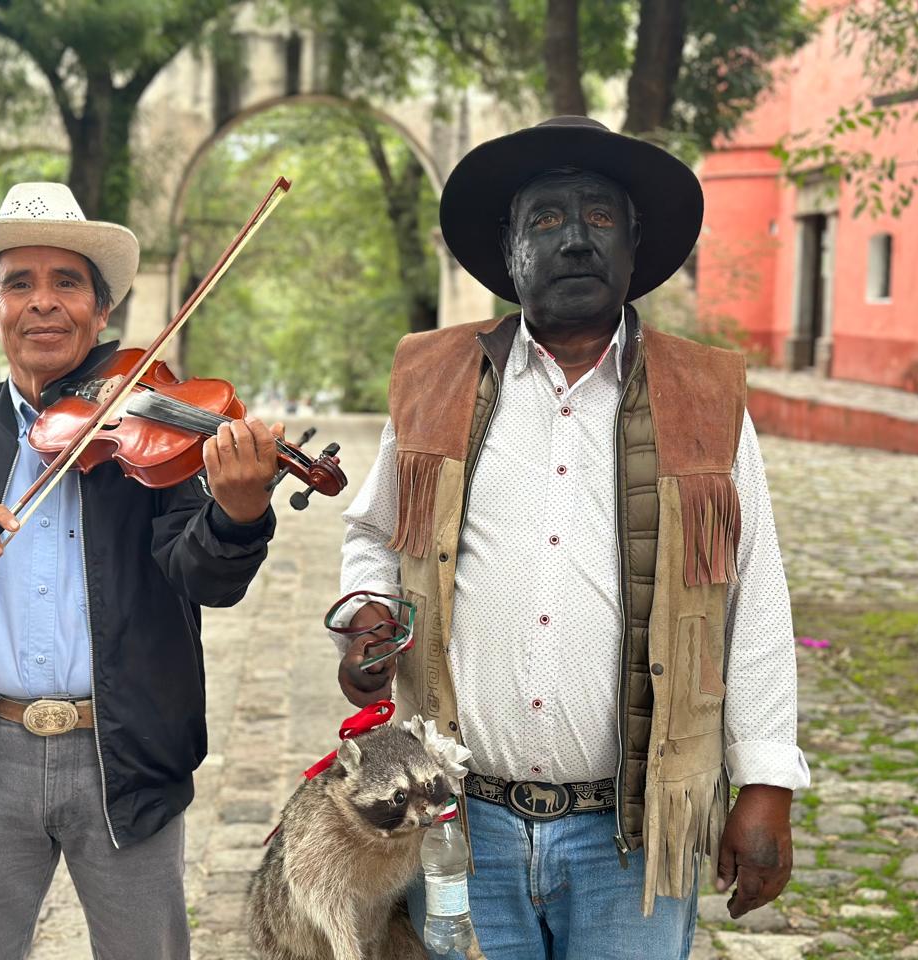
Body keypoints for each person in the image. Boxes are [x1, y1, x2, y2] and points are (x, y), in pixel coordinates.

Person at [333, 117, 810, 959]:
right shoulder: (434, 379)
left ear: (633, 245)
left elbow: (755, 594)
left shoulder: (703, 397)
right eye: (546, 220)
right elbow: (374, 533)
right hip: (458, 820)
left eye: (600, 217)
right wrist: (368, 616)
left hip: (633, 829)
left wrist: (766, 781)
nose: (577, 239)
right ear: (509, 251)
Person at [0, 182, 284, 959]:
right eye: (18, 284)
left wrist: (236, 515)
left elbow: (206, 578)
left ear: (101, 314)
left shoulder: (150, 432)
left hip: (126, 758)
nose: (43, 302)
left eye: (67, 282)